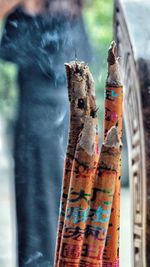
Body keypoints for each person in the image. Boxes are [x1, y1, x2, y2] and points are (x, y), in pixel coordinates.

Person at [0, 0, 91, 265]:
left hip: (51, 118)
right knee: (34, 208)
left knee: (48, 208)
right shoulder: (27, 15)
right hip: (36, 118)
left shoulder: (63, 14)